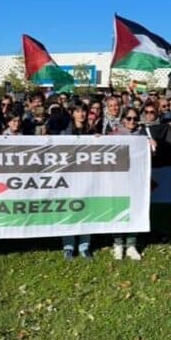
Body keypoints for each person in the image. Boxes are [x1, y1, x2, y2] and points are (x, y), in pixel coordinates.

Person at [60, 103, 94, 260]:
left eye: (83, 111)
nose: (81, 114)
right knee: (70, 210)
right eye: (78, 111)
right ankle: (68, 247)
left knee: (86, 210)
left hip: (86, 177)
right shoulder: (64, 133)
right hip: (69, 177)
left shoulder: (92, 131)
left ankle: (84, 246)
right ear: (72, 113)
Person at [111, 109, 144, 260]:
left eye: (135, 119)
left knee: (135, 211)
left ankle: (131, 245)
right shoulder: (114, 134)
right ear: (123, 119)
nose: (132, 122)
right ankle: (118, 244)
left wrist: (151, 143)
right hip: (119, 179)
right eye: (129, 118)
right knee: (119, 210)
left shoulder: (143, 135)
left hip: (136, 179)